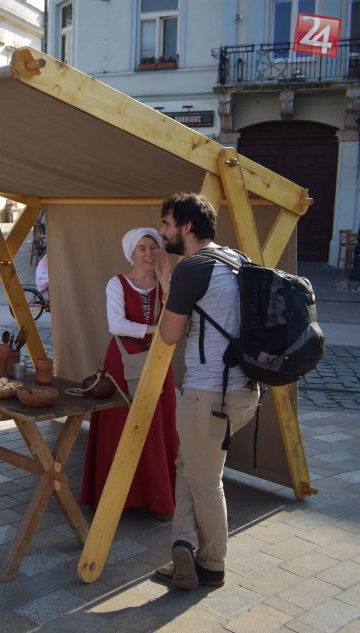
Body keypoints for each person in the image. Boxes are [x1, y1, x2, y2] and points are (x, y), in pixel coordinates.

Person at [154, 192, 260, 591]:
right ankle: (183, 544)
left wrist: (167, 287)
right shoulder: (237, 260)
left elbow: (169, 335)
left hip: (208, 394)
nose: (162, 232)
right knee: (189, 467)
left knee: (206, 480)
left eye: (167, 224)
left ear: (186, 226)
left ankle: (212, 565)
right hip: (244, 391)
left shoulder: (192, 268)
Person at [80, 228, 177, 518]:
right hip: (123, 362)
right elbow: (117, 324)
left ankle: (157, 496)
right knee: (121, 425)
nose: (149, 253)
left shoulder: (166, 284)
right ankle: (118, 497)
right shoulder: (117, 283)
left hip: (157, 360)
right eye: (142, 248)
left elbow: (176, 320)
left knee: (156, 424)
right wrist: (155, 329)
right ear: (131, 253)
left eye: (153, 247)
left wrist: (165, 284)